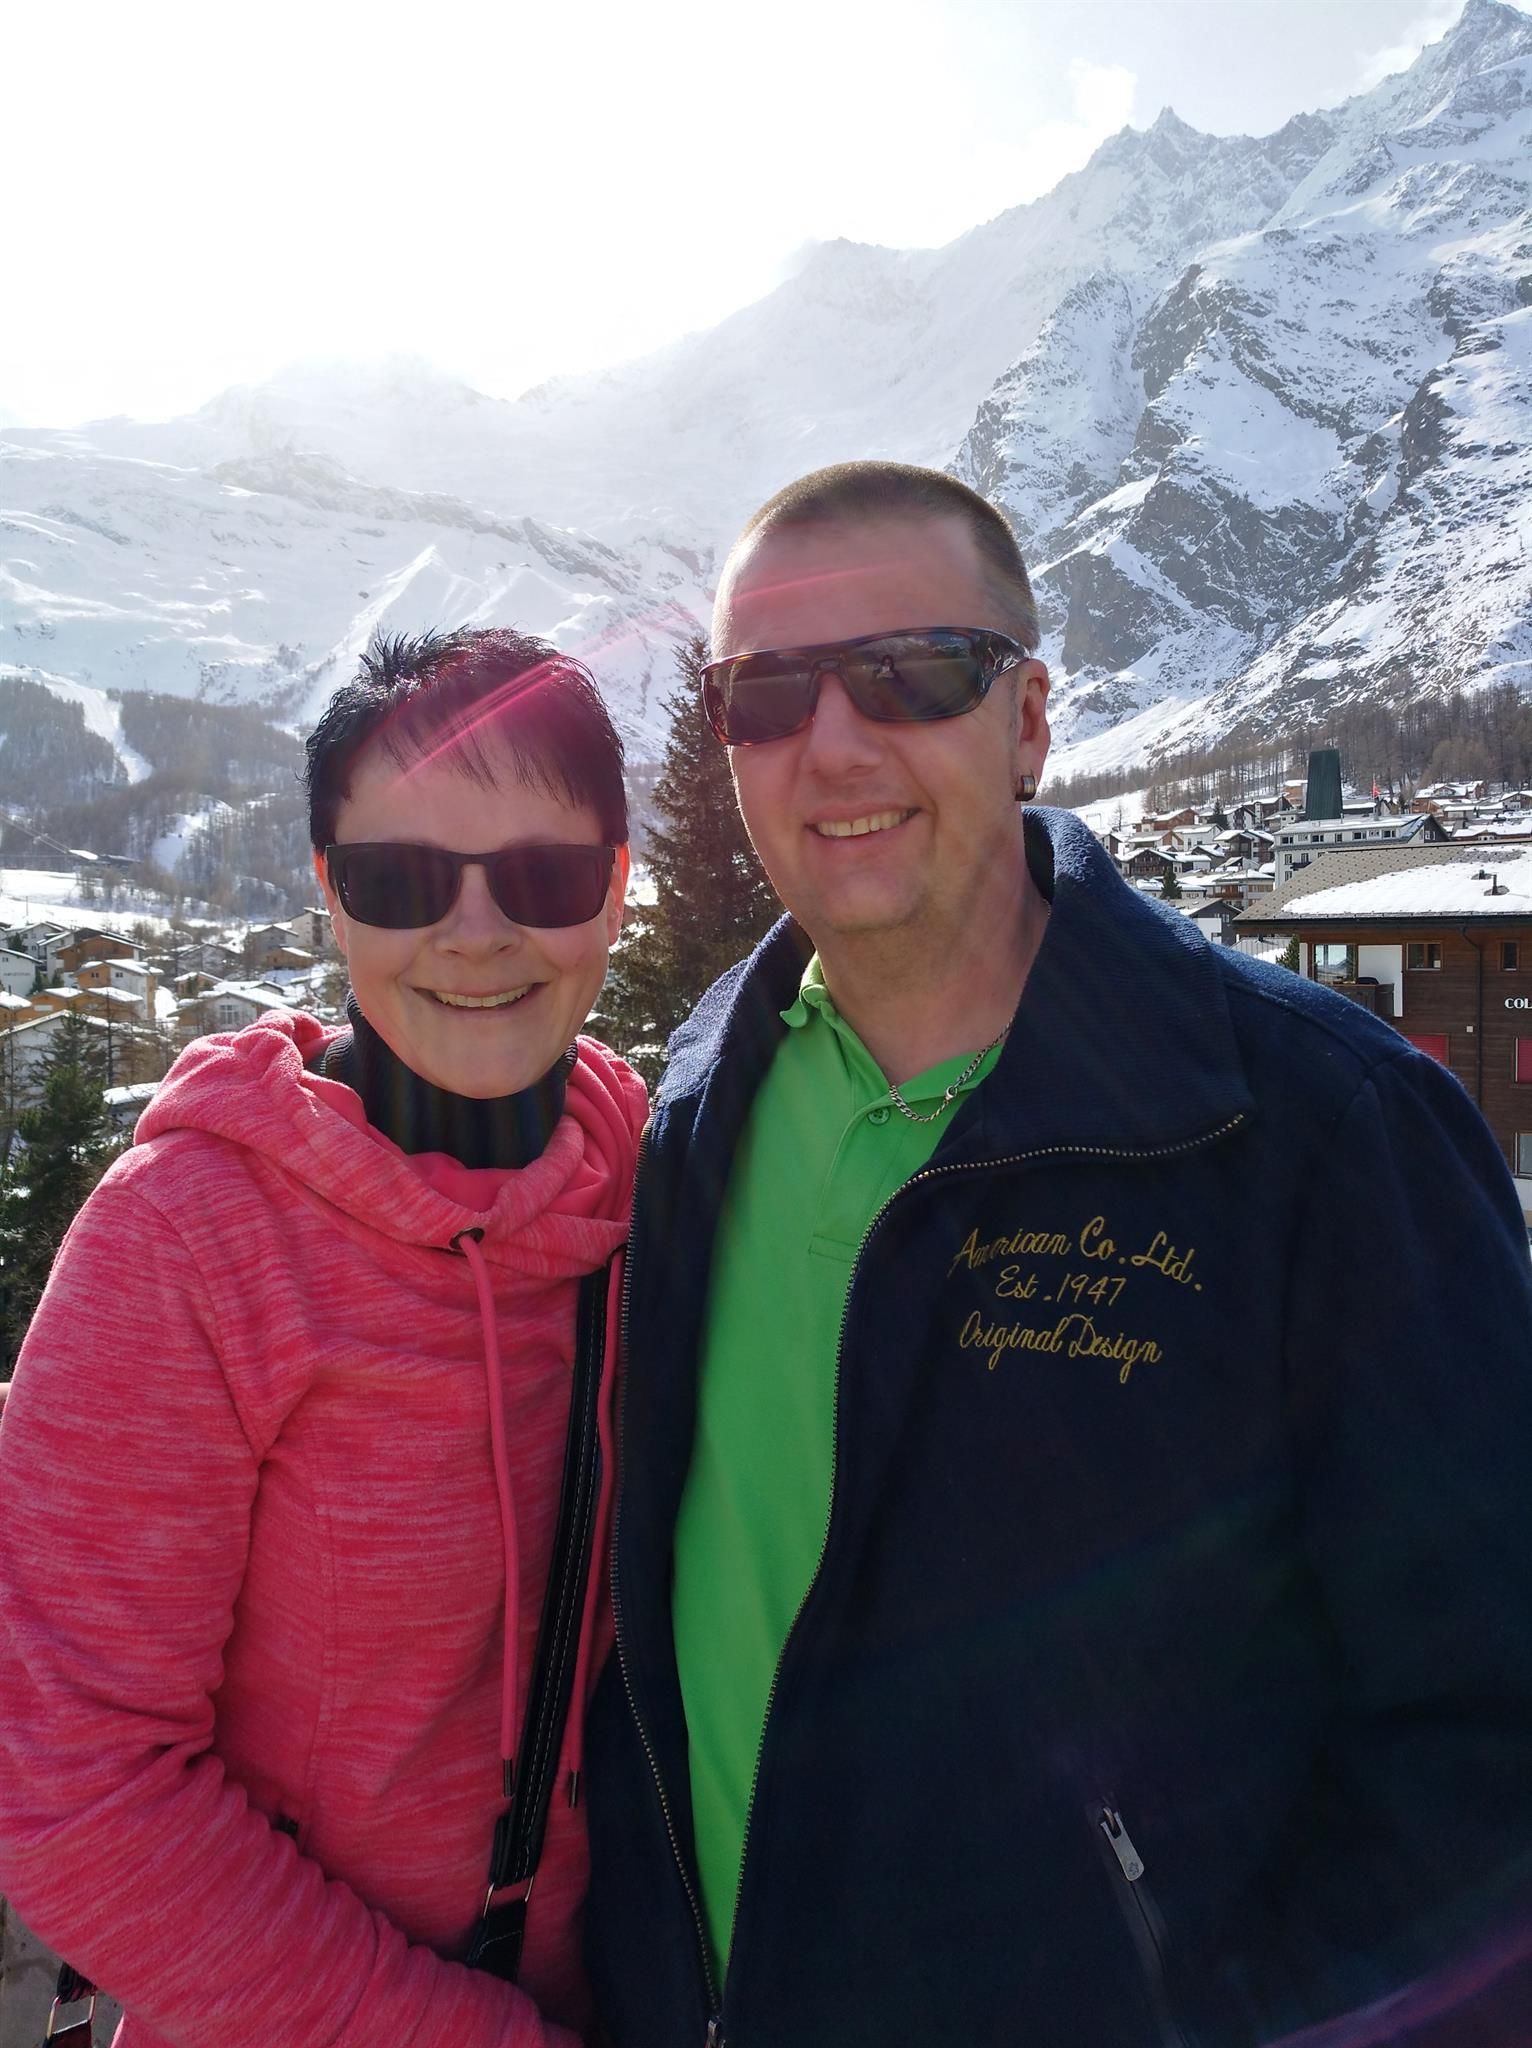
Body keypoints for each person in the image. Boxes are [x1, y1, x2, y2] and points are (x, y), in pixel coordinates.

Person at [582, 463, 1532, 2048]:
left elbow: (1488, 1746)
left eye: (912, 673)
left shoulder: (1314, 1129)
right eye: (771, 691)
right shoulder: (699, 1104)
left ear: (1028, 718)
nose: (835, 743)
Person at [0, 628, 646, 2048]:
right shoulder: (188, 1244)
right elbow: (74, 1790)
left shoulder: (657, 1183)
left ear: (613, 888)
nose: (474, 934)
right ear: (329, 895)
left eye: (540, 878)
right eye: (401, 881)